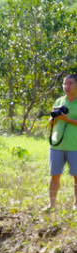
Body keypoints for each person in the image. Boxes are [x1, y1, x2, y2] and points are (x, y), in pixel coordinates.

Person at [47, 74, 77, 212]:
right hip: (57, 145)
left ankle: (76, 204)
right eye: (65, 84)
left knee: (76, 176)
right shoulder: (59, 100)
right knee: (54, 175)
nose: (67, 86)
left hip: (74, 146)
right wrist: (52, 119)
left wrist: (67, 119)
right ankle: (52, 205)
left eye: (70, 83)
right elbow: (51, 121)